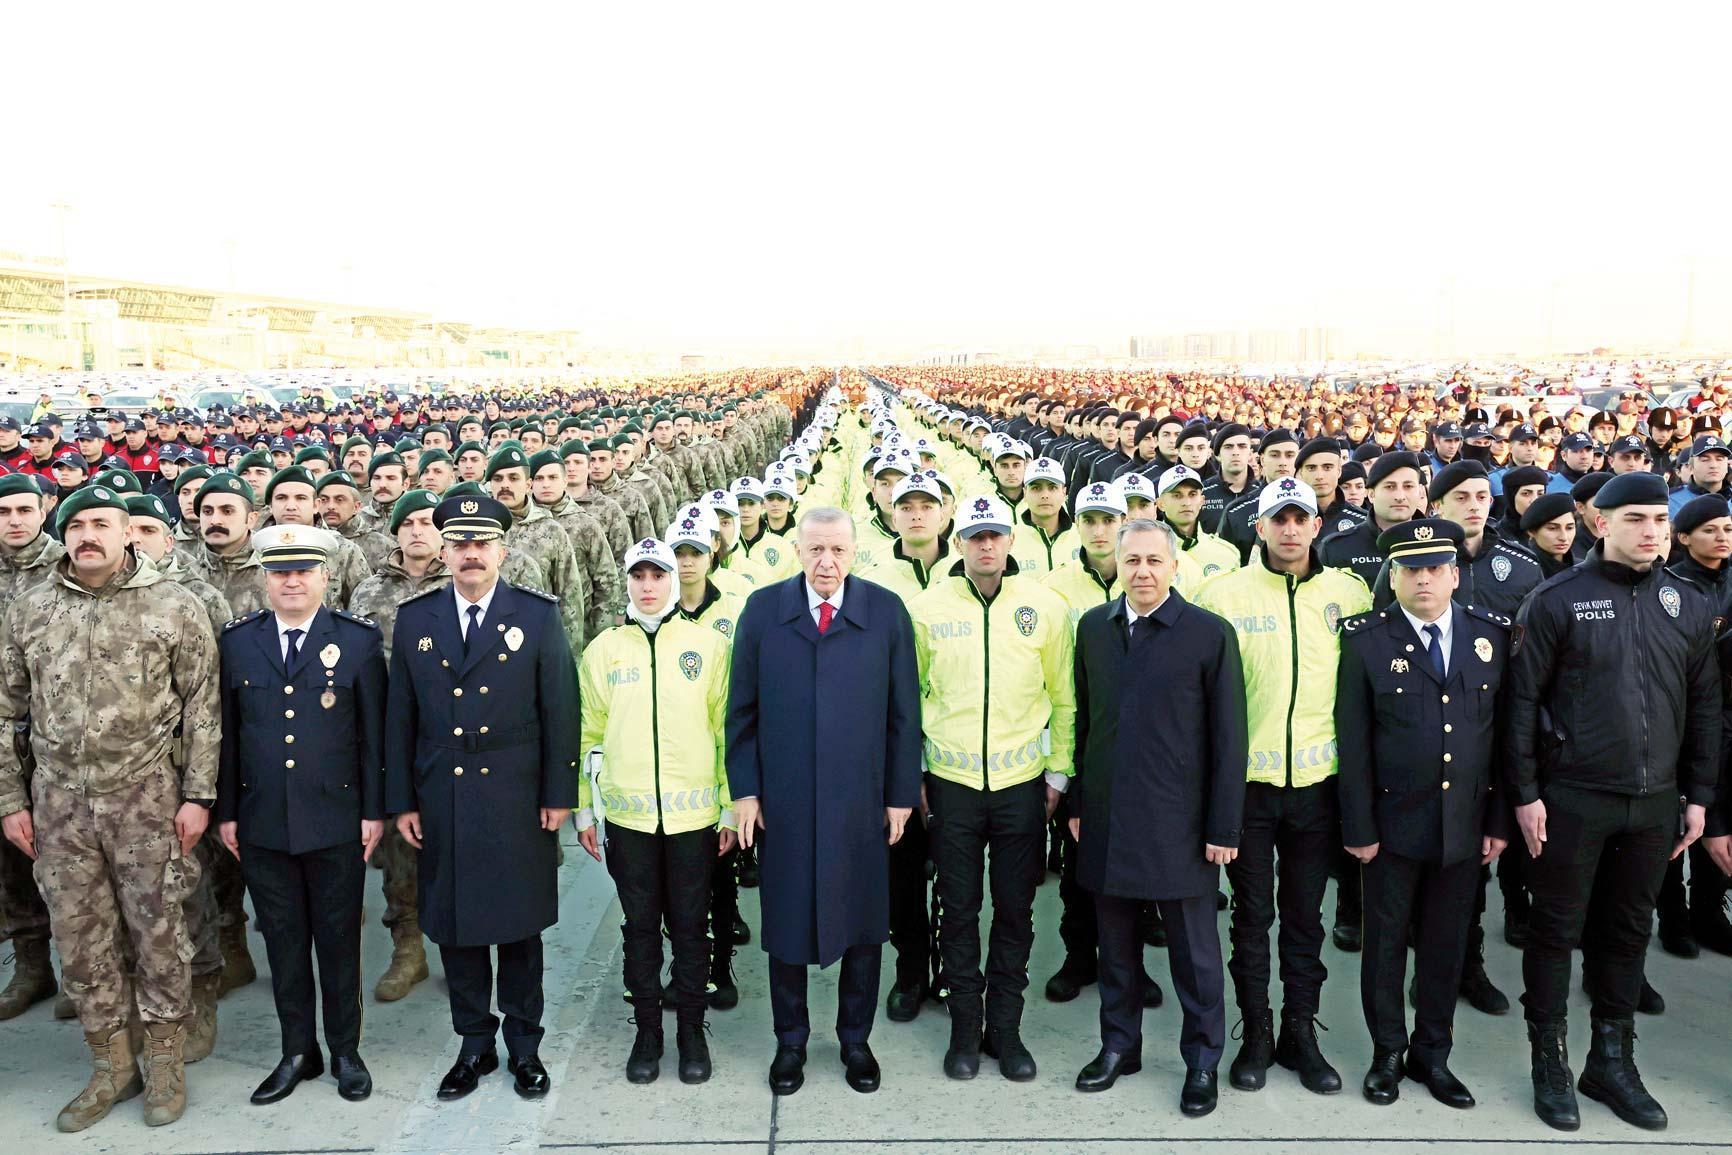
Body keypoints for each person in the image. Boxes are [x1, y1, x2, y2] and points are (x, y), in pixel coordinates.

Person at [1504, 470, 1720, 1133]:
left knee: (1628, 934)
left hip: (1654, 803)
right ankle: (1550, 1058)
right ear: (1601, 522)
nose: (1651, 530)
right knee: (1556, 931)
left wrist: (1700, 795)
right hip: (1572, 799)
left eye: (1659, 518)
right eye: (1635, 518)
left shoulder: (1685, 602)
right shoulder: (1557, 599)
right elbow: (1521, 704)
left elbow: (1706, 703)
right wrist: (1526, 794)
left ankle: (1611, 1059)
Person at [0, 483, 220, 1131]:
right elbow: (6, 708)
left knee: (159, 933)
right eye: (77, 525)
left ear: (129, 531)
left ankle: (164, 1060)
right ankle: (110, 1064)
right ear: (62, 534)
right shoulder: (29, 608)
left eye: (102, 522)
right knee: (78, 937)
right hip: (59, 802)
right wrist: (12, 797)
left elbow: (204, 710)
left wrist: (199, 795)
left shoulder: (174, 605)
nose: (87, 534)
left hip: (148, 795)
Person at [384, 494, 580, 1102]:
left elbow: (561, 709)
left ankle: (524, 1047)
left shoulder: (537, 615)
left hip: (517, 791)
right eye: (460, 543)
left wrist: (558, 792)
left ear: (501, 550)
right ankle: (474, 1045)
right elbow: (400, 717)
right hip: (442, 791)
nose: (471, 554)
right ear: (444, 550)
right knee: (457, 926)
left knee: (520, 929)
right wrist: (402, 799)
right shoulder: (417, 619)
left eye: (482, 543)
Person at [725, 506, 921, 1097]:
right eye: (815, 550)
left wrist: (899, 796)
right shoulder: (764, 611)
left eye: (837, 550)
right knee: (785, 922)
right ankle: (791, 1041)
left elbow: (903, 715)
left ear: (855, 552)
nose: (826, 562)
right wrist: (747, 791)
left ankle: (855, 1038)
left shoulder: (884, 612)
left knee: (863, 922)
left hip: (861, 802)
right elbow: (742, 713)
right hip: (784, 801)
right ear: (798, 552)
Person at [1192, 476, 1372, 1097]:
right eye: (1279, 519)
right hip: (1248, 789)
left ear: (1316, 525)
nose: (1290, 529)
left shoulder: (1348, 593)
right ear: (1260, 526)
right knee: (1251, 917)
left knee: (1304, 917)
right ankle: (1257, 1032)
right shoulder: (1221, 596)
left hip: (1317, 787)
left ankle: (1301, 1031)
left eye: (1301, 518)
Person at [1069, 518, 1246, 1117]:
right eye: (1131, 561)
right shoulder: (1094, 628)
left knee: (1194, 955)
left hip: (1182, 822)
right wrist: (1077, 805)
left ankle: (1202, 1060)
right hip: (1110, 816)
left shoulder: (1208, 634)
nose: (1142, 571)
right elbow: (1085, 724)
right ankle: (1120, 1045)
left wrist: (1224, 827)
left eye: (1153, 561)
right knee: (1114, 948)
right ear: (1116, 565)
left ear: (1174, 567)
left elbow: (1229, 740)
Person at [1335, 519, 1512, 1110]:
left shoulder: (1491, 636)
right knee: (1384, 948)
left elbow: (1502, 740)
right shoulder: (1365, 639)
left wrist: (1497, 822)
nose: (1424, 578)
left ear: (1456, 574)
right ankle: (1388, 1051)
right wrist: (1357, 828)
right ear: (1394, 574)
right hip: (1391, 829)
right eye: (1411, 568)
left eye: (1436, 567)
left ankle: (1432, 1056)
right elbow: (1353, 744)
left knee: (1445, 948)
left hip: (1463, 826)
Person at [215, 525, 386, 1104]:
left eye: (303, 570)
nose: (292, 580)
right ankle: (297, 1051)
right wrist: (229, 812)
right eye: (280, 571)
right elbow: (230, 738)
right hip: (263, 822)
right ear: (264, 578)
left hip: (337, 819)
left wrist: (372, 812)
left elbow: (372, 736)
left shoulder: (358, 640)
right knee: (284, 944)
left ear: (324, 576)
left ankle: (344, 1049)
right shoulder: (238, 642)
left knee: (338, 940)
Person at [908, 495, 1075, 1082]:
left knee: (1015, 910)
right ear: (959, 543)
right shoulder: (927, 609)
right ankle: (963, 1026)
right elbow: (907, 703)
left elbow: (1063, 697)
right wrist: (915, 777)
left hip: (1020, 787)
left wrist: (1056, 773)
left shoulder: (1044, 608)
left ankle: (1005, 1028)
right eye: (975, 536)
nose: (985, 546)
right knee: (957, 911)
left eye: (995, 536)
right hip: (950, 786)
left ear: (1010, 542)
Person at [576, 538, 733, 1085]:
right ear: (627, 583)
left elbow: (724, 733)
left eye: (658, 576)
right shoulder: (604, 650)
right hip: (629, 819)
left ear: (674, 582)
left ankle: (692, 1031)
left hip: (693, 820)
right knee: (640, 928)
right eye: (639, 576)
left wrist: (731, 809)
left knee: (692, 928)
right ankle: (647, 1032)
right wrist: (583, 811)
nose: (648, 586)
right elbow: (587, 735)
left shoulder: (706, 646)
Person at [0, 472, 66, 1020]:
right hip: (3, 731)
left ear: (44, 509)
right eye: (4, 512)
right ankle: (31, 966)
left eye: (24, 509)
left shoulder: (69, 563)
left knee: (67, 860)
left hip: (55, 736)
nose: (14, 521)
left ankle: (80, 969)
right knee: (10, 856)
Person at [1655, 494, 1732, 957]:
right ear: (1683, 538)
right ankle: (1672, 918)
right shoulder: (1672, 585)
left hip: (1725, 715)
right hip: (1683, 715)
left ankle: (1708, 910)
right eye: (1710, 530)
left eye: (1726, 528)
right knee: (1676, 823)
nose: (1721, 537)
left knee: (1718, 814)